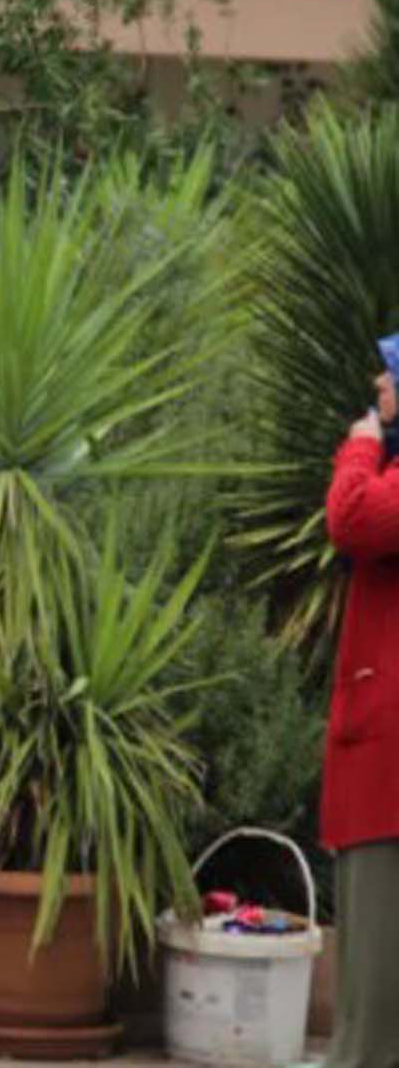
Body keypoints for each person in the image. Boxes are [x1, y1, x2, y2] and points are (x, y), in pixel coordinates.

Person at [320, 369, 399, 1068]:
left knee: (374, 1006)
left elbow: (355, 520)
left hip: (391, 776)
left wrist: (361, 447)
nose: (381, 381)